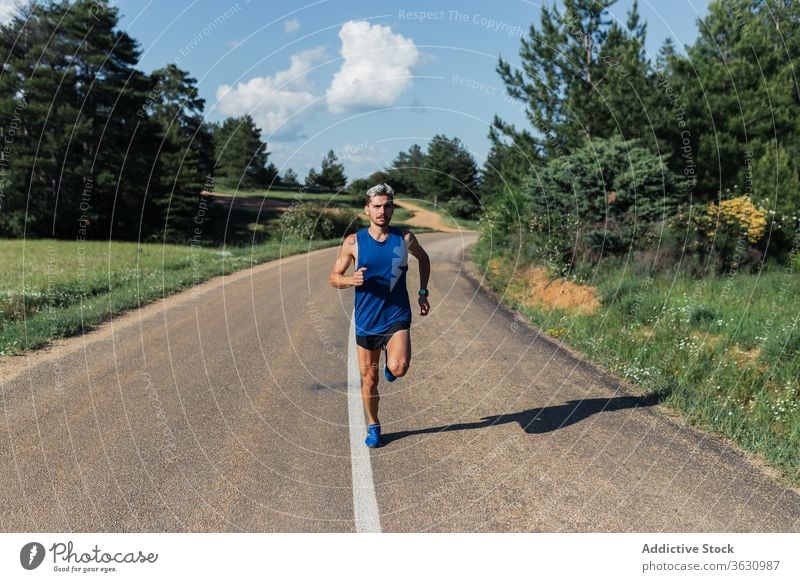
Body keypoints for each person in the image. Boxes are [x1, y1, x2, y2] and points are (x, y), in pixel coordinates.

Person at [328, 183, 431, 448]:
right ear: (367, 210)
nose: (382, 211)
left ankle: (391, 363)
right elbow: (333, 278)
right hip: (367, 320)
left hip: (396, 314)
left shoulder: (404, 238)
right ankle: (374, 425)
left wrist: (422, 292)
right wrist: (351, 279)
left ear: (392, 208)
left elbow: (424, 259)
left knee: (399, 367)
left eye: (387, 206)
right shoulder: (353, 242)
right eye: (376, 206)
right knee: (370, 380)